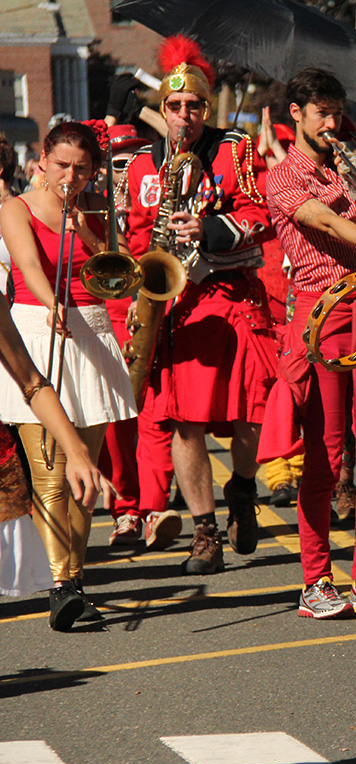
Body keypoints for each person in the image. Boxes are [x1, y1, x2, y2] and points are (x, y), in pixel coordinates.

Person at [260, 66, 356, 620]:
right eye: (322, 113)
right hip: (320, 312)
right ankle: (316, 580)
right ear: (296, 115)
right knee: (324, 456)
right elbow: (324, 222)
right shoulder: (282, 175)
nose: (332, 122)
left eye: (337, 112)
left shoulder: (346, 163)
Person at [125, 37, 278, 574]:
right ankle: (204, 532)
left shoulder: (236, 149)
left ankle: (242, 488)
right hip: (178, 305)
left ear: (206, 108)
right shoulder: (141, 164)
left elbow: (261, 215)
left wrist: (210, 227)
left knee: (251, 413)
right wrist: (138, 290)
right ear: (163, 108)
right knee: (184, 423)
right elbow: (134, 237)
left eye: (194, 105)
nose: (184, 115)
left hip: (231, 294)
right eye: (175, 105)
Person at [0, 120, 136, 629]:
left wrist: (85, 229)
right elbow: (29, 266)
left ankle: (75, 580)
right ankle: (60, 586)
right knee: (49, 473)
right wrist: (52, 301)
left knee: (86, 474)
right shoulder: (15, 208)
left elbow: (120, 272)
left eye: (81, 168)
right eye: (62, 165)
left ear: (93, 170)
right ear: (42, 161)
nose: (70, 176)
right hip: (36, 331)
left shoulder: (96, 209)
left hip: (91, 332)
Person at [99, 122, 185, 549]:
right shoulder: (90, 204)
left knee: (155, 413)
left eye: (130, 160)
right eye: (116, 162)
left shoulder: (150, 194)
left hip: (150, 308)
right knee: (116, 420)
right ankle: (125, 508)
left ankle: (153, 508)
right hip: (107, 316)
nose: (124, 169)